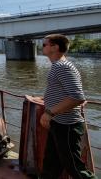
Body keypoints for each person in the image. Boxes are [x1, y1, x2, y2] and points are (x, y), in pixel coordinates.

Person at [40, 34, 96, 179]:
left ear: (55, 47)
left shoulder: (62, 67)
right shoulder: (59, 66)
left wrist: (49, 113)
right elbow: (71, 93)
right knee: (51, 163)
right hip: (59, 123)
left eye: (44, 44)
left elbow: (77, 97)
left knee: (75, 168)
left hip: (67, 126)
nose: (42, 47)